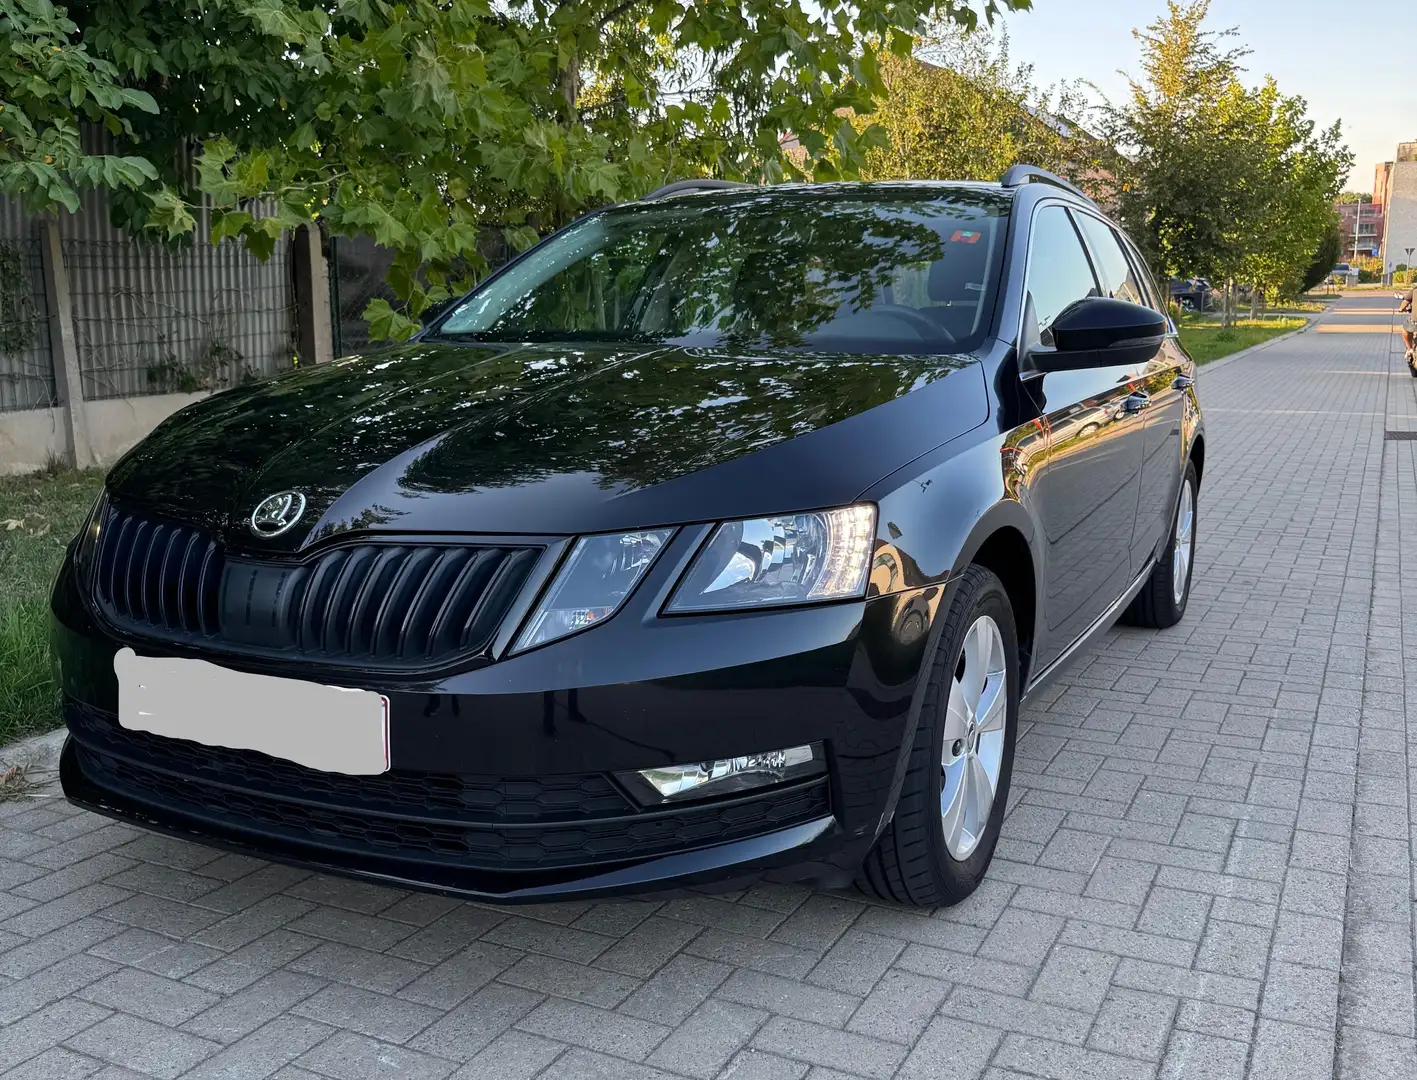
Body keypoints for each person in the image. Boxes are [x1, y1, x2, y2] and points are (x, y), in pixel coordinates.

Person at [1402, 287, 1417, 373]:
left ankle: (1409, 349)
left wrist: (1401, 309)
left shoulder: (1415, 290)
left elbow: (1405, 302)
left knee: (1405, 330)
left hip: (1415, 322)